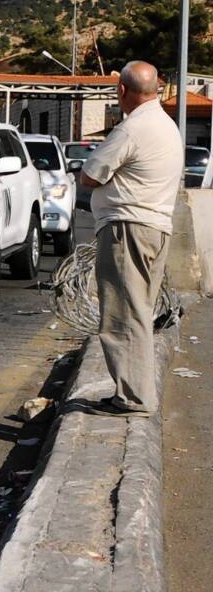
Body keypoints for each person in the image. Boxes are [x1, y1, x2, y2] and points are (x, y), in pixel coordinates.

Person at [79, 61, 184, 417]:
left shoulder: (132, 129)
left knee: (122, 314)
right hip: (155, 228)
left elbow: (90, 176)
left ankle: (134, 398)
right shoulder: (166, 126)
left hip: (128, 228)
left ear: (122, 90)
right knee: (138, 312)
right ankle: (133, 393)